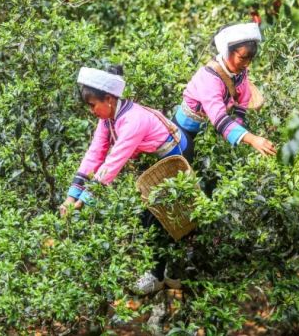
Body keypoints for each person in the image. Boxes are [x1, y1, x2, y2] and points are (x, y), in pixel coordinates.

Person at [61, 65, 188, 295]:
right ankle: (167, 269)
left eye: (92, 105)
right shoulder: (108, 119)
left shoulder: (132, 120)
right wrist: (72, 195)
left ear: (108, 99)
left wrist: (85, 199)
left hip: (175, 156)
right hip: (154, 161)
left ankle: (160, 275)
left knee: (157, 217)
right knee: (147, 216)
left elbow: (112, 163)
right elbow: (94, 154)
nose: (91, 111)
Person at [173, 22, 276, 163]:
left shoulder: (240, 71)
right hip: (186, 128)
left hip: (209, 128)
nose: (247, 64)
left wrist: (239, 125)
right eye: (242, 58)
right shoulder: (209, 77)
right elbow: (218, 117)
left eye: (250, 59)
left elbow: (243, 98)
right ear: (227, 51)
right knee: (187, 159)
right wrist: (252, 139)